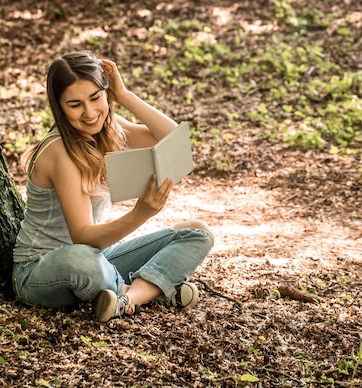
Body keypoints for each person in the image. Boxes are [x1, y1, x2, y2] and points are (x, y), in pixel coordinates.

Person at [12, 51, 214, 322]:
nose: (90, 112)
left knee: (197, 232)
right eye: (75, 104)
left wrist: (126, 95)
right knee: (84, 262)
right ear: (59, 107)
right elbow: (82, 237)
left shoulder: (108, 129)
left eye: (96, 97)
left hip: (98, 257)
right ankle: (154, 288)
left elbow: (174, 141)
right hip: (39, 271)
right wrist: (140, 214)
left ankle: (128, 298)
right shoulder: (59, 150)